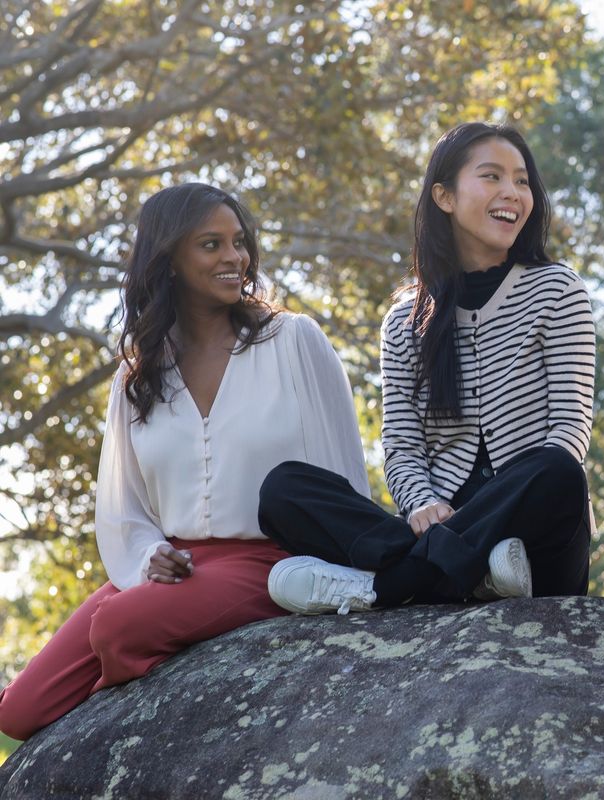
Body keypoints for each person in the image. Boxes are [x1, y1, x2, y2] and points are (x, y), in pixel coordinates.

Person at [0, 183, 369, 741]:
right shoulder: (139, 375)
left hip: (273, 559)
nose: (234, 258)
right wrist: (152, 555)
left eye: (239, 242)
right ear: (168, 260)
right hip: (177, 567)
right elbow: (126, 508)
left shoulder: (294, 341)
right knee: (18, 711)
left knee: (120, 627)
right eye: (211, 244)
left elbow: (342, 474)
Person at [259, 122, 595, 614]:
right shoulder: (404, 320)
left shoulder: (558, 290)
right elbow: (401, 446)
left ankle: (389, 587)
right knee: (284, 488)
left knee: (560, 470)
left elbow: (569, 428)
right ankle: (470, 573)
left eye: (522, 181)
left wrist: (490, 514)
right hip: (438, 523)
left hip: (532, 534)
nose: (513, 193)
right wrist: (421, 504)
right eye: (492, 177)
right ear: (444, 196)